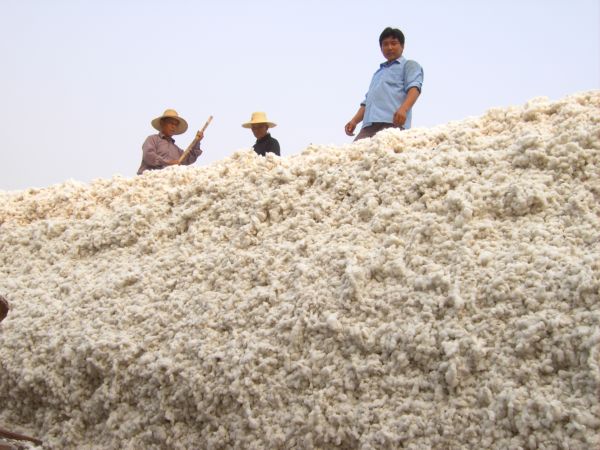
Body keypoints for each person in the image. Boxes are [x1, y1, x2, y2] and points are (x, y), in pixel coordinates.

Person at [345, 27, 424, 141]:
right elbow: (368, 101)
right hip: (369, 127)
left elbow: (414, 88)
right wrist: (354, 121)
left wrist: (404, 109)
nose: (389, 47)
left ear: (402, 46)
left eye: (394, 43)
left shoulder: (409, 65)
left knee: (390, 151)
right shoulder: (378, 73)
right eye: (385, 44)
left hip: (393, 123)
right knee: (356, 151)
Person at [137, 109, 204, 175]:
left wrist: (197, 141)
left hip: (167, 180)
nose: (173, 127)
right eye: (171, 123)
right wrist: (168, 162)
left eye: (176, 125)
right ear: (162, 123)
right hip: (149, 178)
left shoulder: (177, 150)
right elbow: (148, 156)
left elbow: (189, 158)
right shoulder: (152, 139)